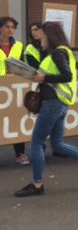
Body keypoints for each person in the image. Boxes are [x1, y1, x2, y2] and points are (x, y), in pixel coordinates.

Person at [14, 22, 78, 197]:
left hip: (53, 103)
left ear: (51, 36)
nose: (40, 40)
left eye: (43, 36)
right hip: (60, 103)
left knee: (36, 143)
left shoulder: (57, 53)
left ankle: (37, 185)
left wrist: (43, 77)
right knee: (58, 144)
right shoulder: (62, 52)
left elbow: (67, 75)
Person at [0, 16, 30, 165]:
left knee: (15, 119)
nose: (10, 30)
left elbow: (22, 66)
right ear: (1, 28)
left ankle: (20, 154)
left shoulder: (18, 46)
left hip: (13, 87)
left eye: (13, 27)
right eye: (7, 27)